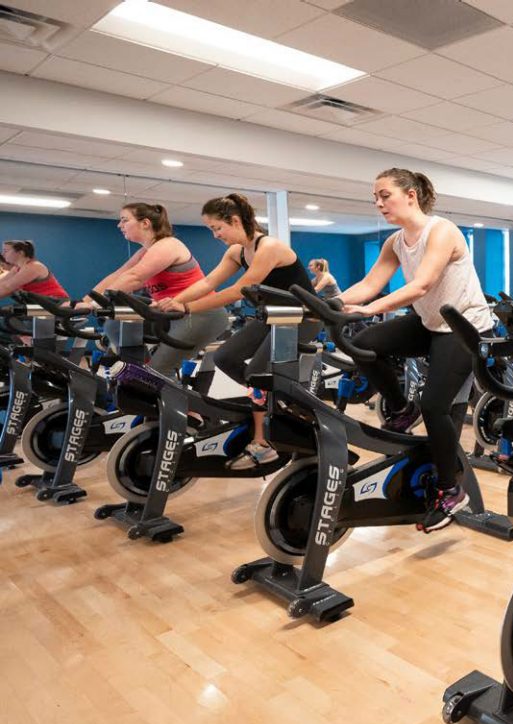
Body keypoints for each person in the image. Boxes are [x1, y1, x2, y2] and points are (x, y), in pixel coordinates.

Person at [336, 168, 492, 532]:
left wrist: (371, 309)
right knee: (363, 344)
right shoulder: (395, 242)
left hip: (463, 326)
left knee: (436, 405)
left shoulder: (442, 231)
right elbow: (370, 283)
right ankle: (400, 407)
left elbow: (422, 284)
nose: (378, 202)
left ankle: (450, 489)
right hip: (429, 323)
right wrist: (330, 302)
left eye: (384, 194)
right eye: (374, 197)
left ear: (411, 195)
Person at [154, 194, 315, 470]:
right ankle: (272, 402)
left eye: (217, 228)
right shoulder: (237, 252)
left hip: (303, 319)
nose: (215, 235)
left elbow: (235, 291)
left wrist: (188, 308)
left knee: (257, 374)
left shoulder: (270, 247)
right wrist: (175, 301)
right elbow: (208, 282)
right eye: (211, 230)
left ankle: (263, 444)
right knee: (225, 358)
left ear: (236, 221)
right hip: (273, 317)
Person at [85, 202, 229, 378]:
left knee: (158, 372)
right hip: (168, 314)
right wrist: (82, 302)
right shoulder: (144, 252)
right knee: (115, 325)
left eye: (124, 220)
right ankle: (140, 373)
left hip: (201, 315)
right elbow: (118, 275)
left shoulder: (169, 245)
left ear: (145, 223)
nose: (119, 225)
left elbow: (135, 277)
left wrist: (94, 303)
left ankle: (165, 392)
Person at [0, 240, 69, 300]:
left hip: (57, 304)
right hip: (42, 304)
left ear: (20, 253)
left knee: (11, 311)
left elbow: (7, 287)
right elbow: (2, 282)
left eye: (6, 251)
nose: (3, 254)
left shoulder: (34, 267)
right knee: (11, 311)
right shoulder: (17, 268)